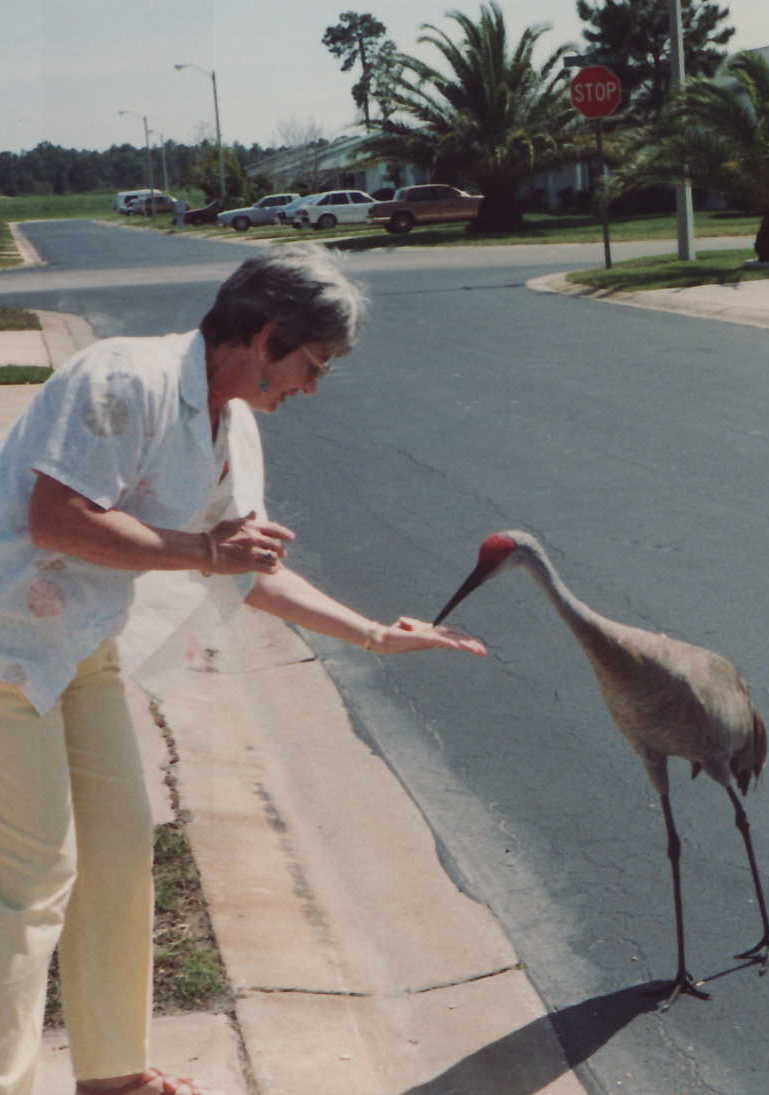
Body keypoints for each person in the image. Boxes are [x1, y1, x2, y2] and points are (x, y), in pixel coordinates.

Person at [0, 243, 486, 1095]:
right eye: (312, 364)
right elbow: (58, 518)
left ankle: (112, 1078)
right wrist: (202, 550)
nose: (311, 387)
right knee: (34, 881)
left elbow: (248, 569)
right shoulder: (124, 378)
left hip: (79, 646)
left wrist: (373, 633)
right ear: (266, 336)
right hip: (6, 641)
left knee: (119, 855)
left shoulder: (234, 428)